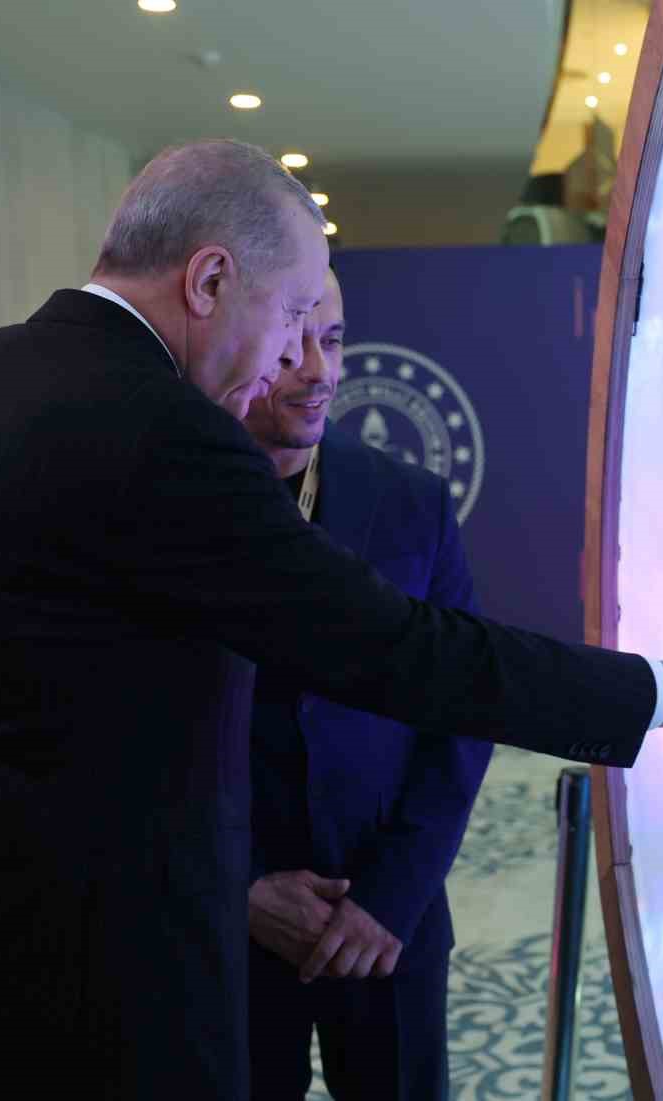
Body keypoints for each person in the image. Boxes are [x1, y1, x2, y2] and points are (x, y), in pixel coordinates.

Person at [0, 139, 663, 1099]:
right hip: (91, 1019)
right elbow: (396, 649)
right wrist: (662, 693)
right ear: (208, 280)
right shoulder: (159, 431)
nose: (295, 356)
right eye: (290, 316)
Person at [241, 269, 486, 1100]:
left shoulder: (415, 503)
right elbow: (131, 732)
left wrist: (390, 895)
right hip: (225, 927)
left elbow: (462, 712)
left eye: (335, 340)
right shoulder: (166, 501)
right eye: (291, 345)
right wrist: (239, 888)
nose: (318, 369)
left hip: (388, 922)